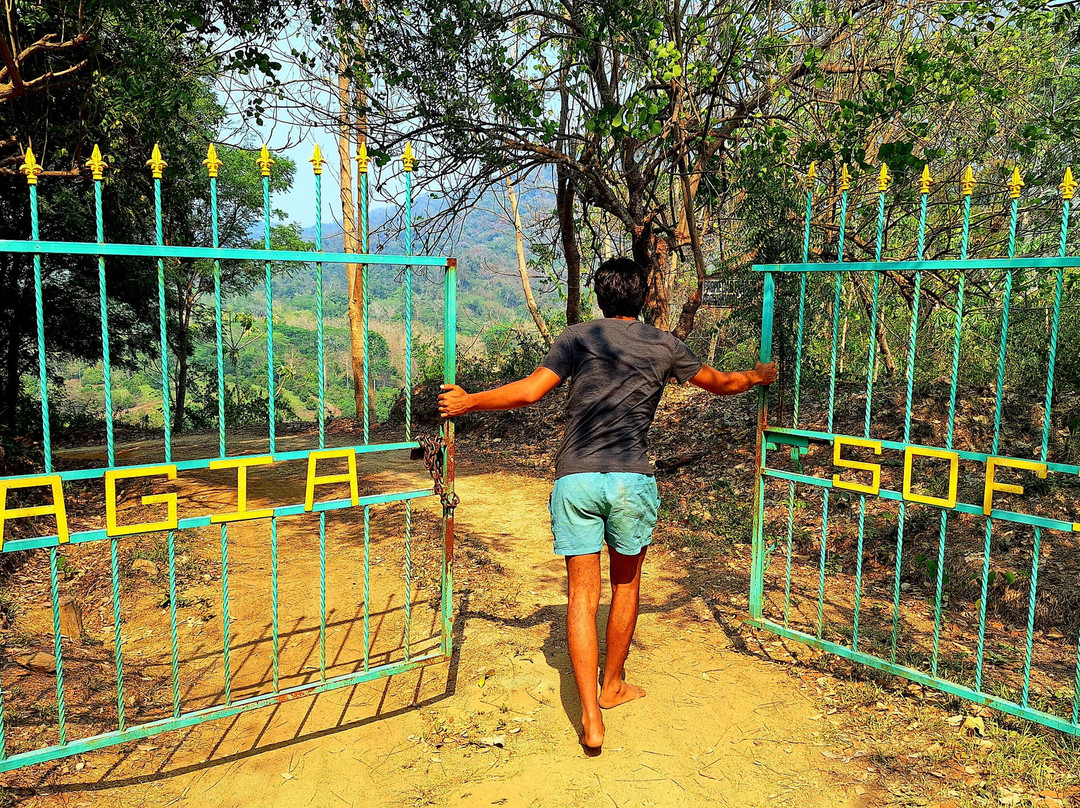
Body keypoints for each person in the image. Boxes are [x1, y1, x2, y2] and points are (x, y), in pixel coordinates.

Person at [437, 257, 777, 750]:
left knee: (581, 597)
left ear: (599, 297)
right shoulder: (664, 344)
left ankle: (591, 719)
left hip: (576, 478)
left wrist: (469, 401)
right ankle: (611, 684)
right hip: (629, 482)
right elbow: (721, 383)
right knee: (625, 586)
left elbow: (530, 393)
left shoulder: (578, 337)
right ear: (644, 297)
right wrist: (756, 376)